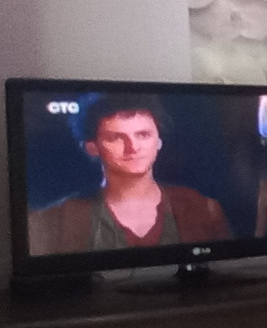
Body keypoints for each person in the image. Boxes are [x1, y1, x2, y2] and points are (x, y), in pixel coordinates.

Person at [27, 97, 232, 255]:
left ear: (159, 142)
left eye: (143, 135)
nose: (132, 147)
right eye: (116, 137)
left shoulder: (204, 210)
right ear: (92, 147)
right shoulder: (53, 220)